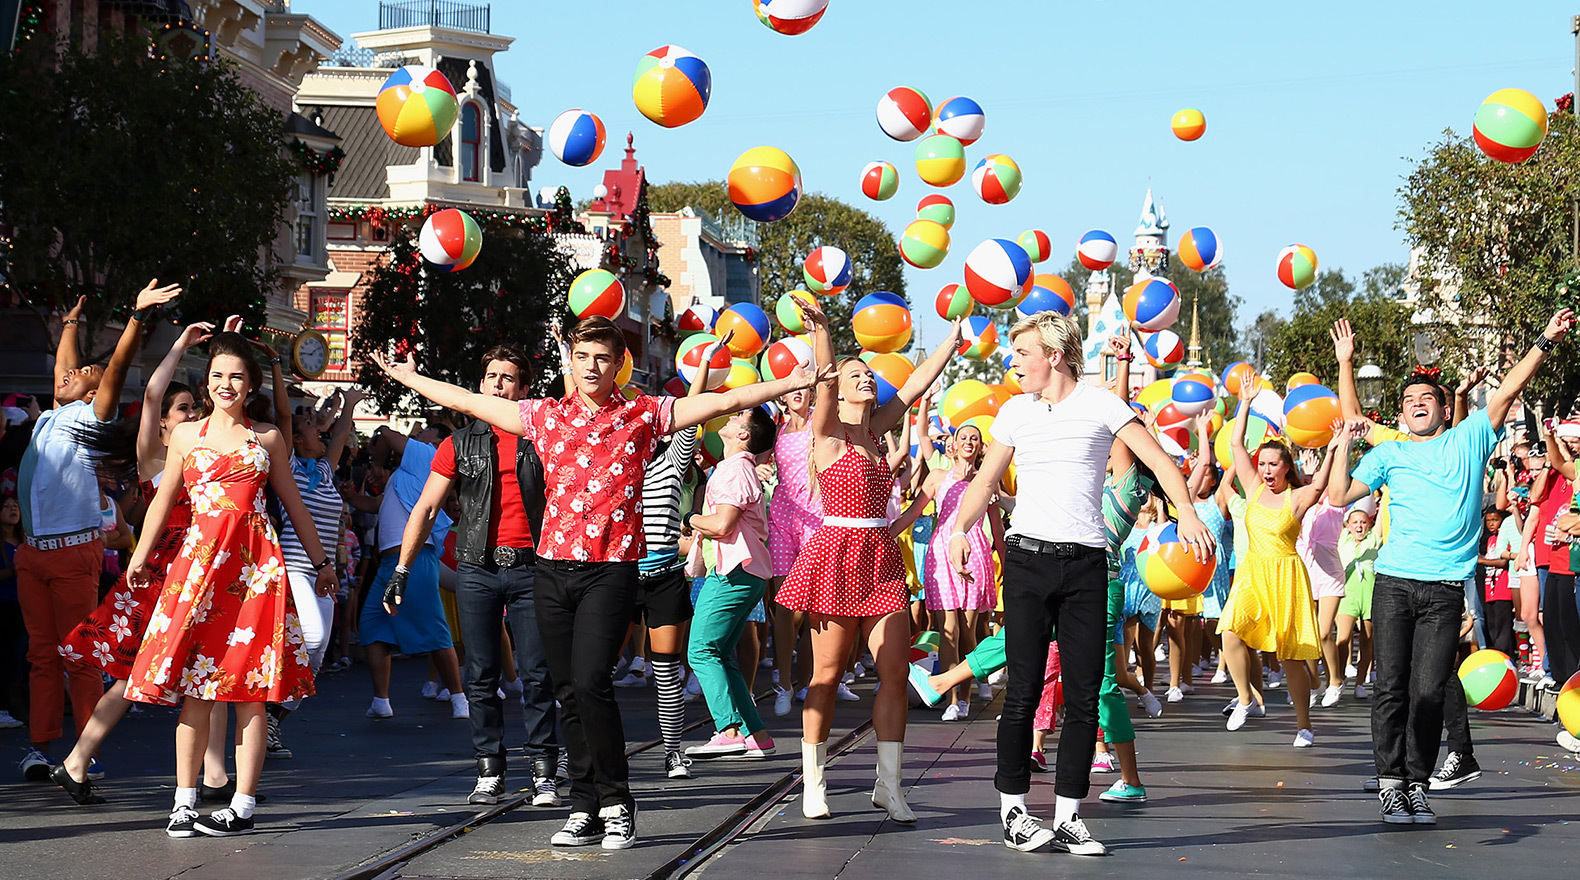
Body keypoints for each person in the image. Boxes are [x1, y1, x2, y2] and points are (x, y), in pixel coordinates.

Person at [372, 315, 824, 851]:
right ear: (571, 360)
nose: (591, 367)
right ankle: (583, 807)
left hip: (611, 571)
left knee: (591, 683)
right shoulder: (543, 415)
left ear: (617, 365)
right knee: (566, 692)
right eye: (583, 357)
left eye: (603, 359)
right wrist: (408, 378)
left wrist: (792, 383)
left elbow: (723, 403)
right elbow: (469, 403)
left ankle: (617, 803)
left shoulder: (645, 413)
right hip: (550, 571)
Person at [946, 312, 1214, 855]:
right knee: (1022, 690)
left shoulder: (1102, 404)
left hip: (1088, 563)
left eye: (1022, 353)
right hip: (1027, 560)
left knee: (1085, 694)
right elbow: (985, 480)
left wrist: (1184, 510)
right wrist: (958, 529)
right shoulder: (1015, 411)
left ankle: (1069, 814)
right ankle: (1015, 812)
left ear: (1055, 356)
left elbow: (1159, 461)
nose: (1012, 362)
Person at [1328, 306, 1575, 826]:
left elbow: (1506, 390)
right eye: (1408, 401)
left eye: (1426, 399)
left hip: (1442, 589)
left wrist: (1545, 338)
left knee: (1426, 691)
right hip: (1394, 584)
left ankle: (1417, 782)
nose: (1417, 405)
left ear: (1446, 409)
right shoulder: (1390, 452)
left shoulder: (1470, 439)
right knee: (1391, 686)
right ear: (1401, 415)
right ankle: (1392, 784)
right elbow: (1341, 482)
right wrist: (1345, 369)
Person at [124, 332, 335, 837]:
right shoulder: (185, 436)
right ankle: (184, 801)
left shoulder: (267, 439)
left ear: (251, 385)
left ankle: (242, 804)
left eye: (236, 376)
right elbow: (161, 500)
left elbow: (295, 504)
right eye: (217, 375)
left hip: (256, 571)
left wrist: (324, 561)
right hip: (198, 568)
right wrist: (140, 554)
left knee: (252, 692)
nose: (225, 383)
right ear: (205, 384)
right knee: (195, 691)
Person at [775, 300, 962, 825]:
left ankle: (890, 785)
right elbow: (828, 375)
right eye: (858, 373)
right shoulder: (827, 430)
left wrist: (951, 341)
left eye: (869, 374)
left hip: (880, 557)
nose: (866, 378)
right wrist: (824, 331)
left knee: (896, 673)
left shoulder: (880, 428)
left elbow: (917, 382)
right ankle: (813, 781)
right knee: (827, 676)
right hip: (834, 557)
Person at [15, 281, 180, 780]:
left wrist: (134, 316)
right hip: (33, 553)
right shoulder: (53, 416)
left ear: (94, 392)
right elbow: (67, 370)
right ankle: (43, 749)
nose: (69, 374)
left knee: (78, 656)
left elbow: (116, 370)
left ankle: (84, 755)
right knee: (41, 656)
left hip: (72, 554)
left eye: (83, 374)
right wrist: (68, 324)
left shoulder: (90, 417)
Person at [388, 345, 561, 807]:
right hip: (477, 567)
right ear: (481, 385)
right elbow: (426, 507)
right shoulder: (458, 443)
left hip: (532, 568)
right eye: (491, 377)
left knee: (537, 673)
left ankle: (545, 769)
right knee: (480, 674)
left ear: (525, 389)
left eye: (508, 377)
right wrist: (402, 567)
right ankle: (490, 769)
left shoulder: (543, 438)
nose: (498, 385)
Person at [50, 320, 210, 803]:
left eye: (192, 409)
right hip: (162, 578)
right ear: (161, 420)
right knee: (178, 675)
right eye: (184, 409)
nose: (190, 414)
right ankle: (216, 780)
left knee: (186, 676)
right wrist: (181, 344)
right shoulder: (155, 458)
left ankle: (78, 763)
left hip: (192, 575)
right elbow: (156, 388)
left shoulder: (200, 455)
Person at [1218, 379, 1342, 746]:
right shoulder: (1253, 488)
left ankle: (1304, 724)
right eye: (1264, 464)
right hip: (1252, 572)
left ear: (1286, 467)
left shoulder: (1297, 498)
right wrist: (1244, 404)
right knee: (1229, 631)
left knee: (1290, 656)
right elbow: (1236, 444)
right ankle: (1246, 698)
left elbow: (1320, 484)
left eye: (1274, 464)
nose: (1268, 469)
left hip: (1286, 574)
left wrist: (1333, 449)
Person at [266, 381, 359, 760]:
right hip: (294, 567)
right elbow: (286, 417)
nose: (317, 429)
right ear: (297, 441)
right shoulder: (287, 466)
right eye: (309, 427)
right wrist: (275, 372)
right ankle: (268, 713)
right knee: (316, 637)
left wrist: (348, 404)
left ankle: (273, 720)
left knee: (315, 661)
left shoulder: (323, 467)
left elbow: (339, 433)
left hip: (324, 574)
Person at [681, 407, 778, 759]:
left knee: (700, 650)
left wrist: (689, 518)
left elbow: (722, 525)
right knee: (722, 654)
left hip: (734, 572)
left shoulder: (735, 470)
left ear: (744, 436)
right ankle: (756, 734)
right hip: (743, 572)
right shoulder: (736, 469)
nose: (733, 416)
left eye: (740, 417)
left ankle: (728, 729)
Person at [355, 426, 466, 721]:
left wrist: (376, 464)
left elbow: (386, 434)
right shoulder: (406, 474)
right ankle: (381, 700)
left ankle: (459, 697)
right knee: (372, 625)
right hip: (392, 562)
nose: (417, 435)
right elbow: (377, 505)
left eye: (425, 432)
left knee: (435, 629)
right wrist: (350, 496)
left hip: (413, 559)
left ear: (438, 442)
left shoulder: (427, 455)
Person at [895, 422, 1004, 721]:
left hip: (975, 554)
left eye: (975, 438)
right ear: (952, 445)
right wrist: (884, 534)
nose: (969, 441)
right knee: (948, 630)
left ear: (980, 447)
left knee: (968, 631)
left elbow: (997, 530)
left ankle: (965, 693)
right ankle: (954, 699)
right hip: (941, 554)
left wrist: (1008, 568)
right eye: (963, 437)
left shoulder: (987, 482)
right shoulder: (937, 478)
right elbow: (912, 513)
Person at [767, 385, 820, 717]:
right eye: (793, 387)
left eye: (806, 387)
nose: (799, 392)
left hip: (818, 518)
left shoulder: (823, 421)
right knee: (785, 608)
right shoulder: (776, 427)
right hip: (783, 517)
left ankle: (808, 682)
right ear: (783, 395)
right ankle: (784, 684)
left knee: (813, 610)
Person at [1335, 498, 1383, 699]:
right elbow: (1335, 512)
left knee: (1367, 640)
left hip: (1370, 595)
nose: (1359, 526)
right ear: (1348, 526)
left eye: (1363, 522)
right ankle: (1338, 678)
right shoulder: (1343, 540)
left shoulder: (1373, 540)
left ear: (1369, 524)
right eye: (1355, 522)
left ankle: (1360, 682)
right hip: (1348, 594)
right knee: (1343, 638)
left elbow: (1381, 522)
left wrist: (1387, 491)